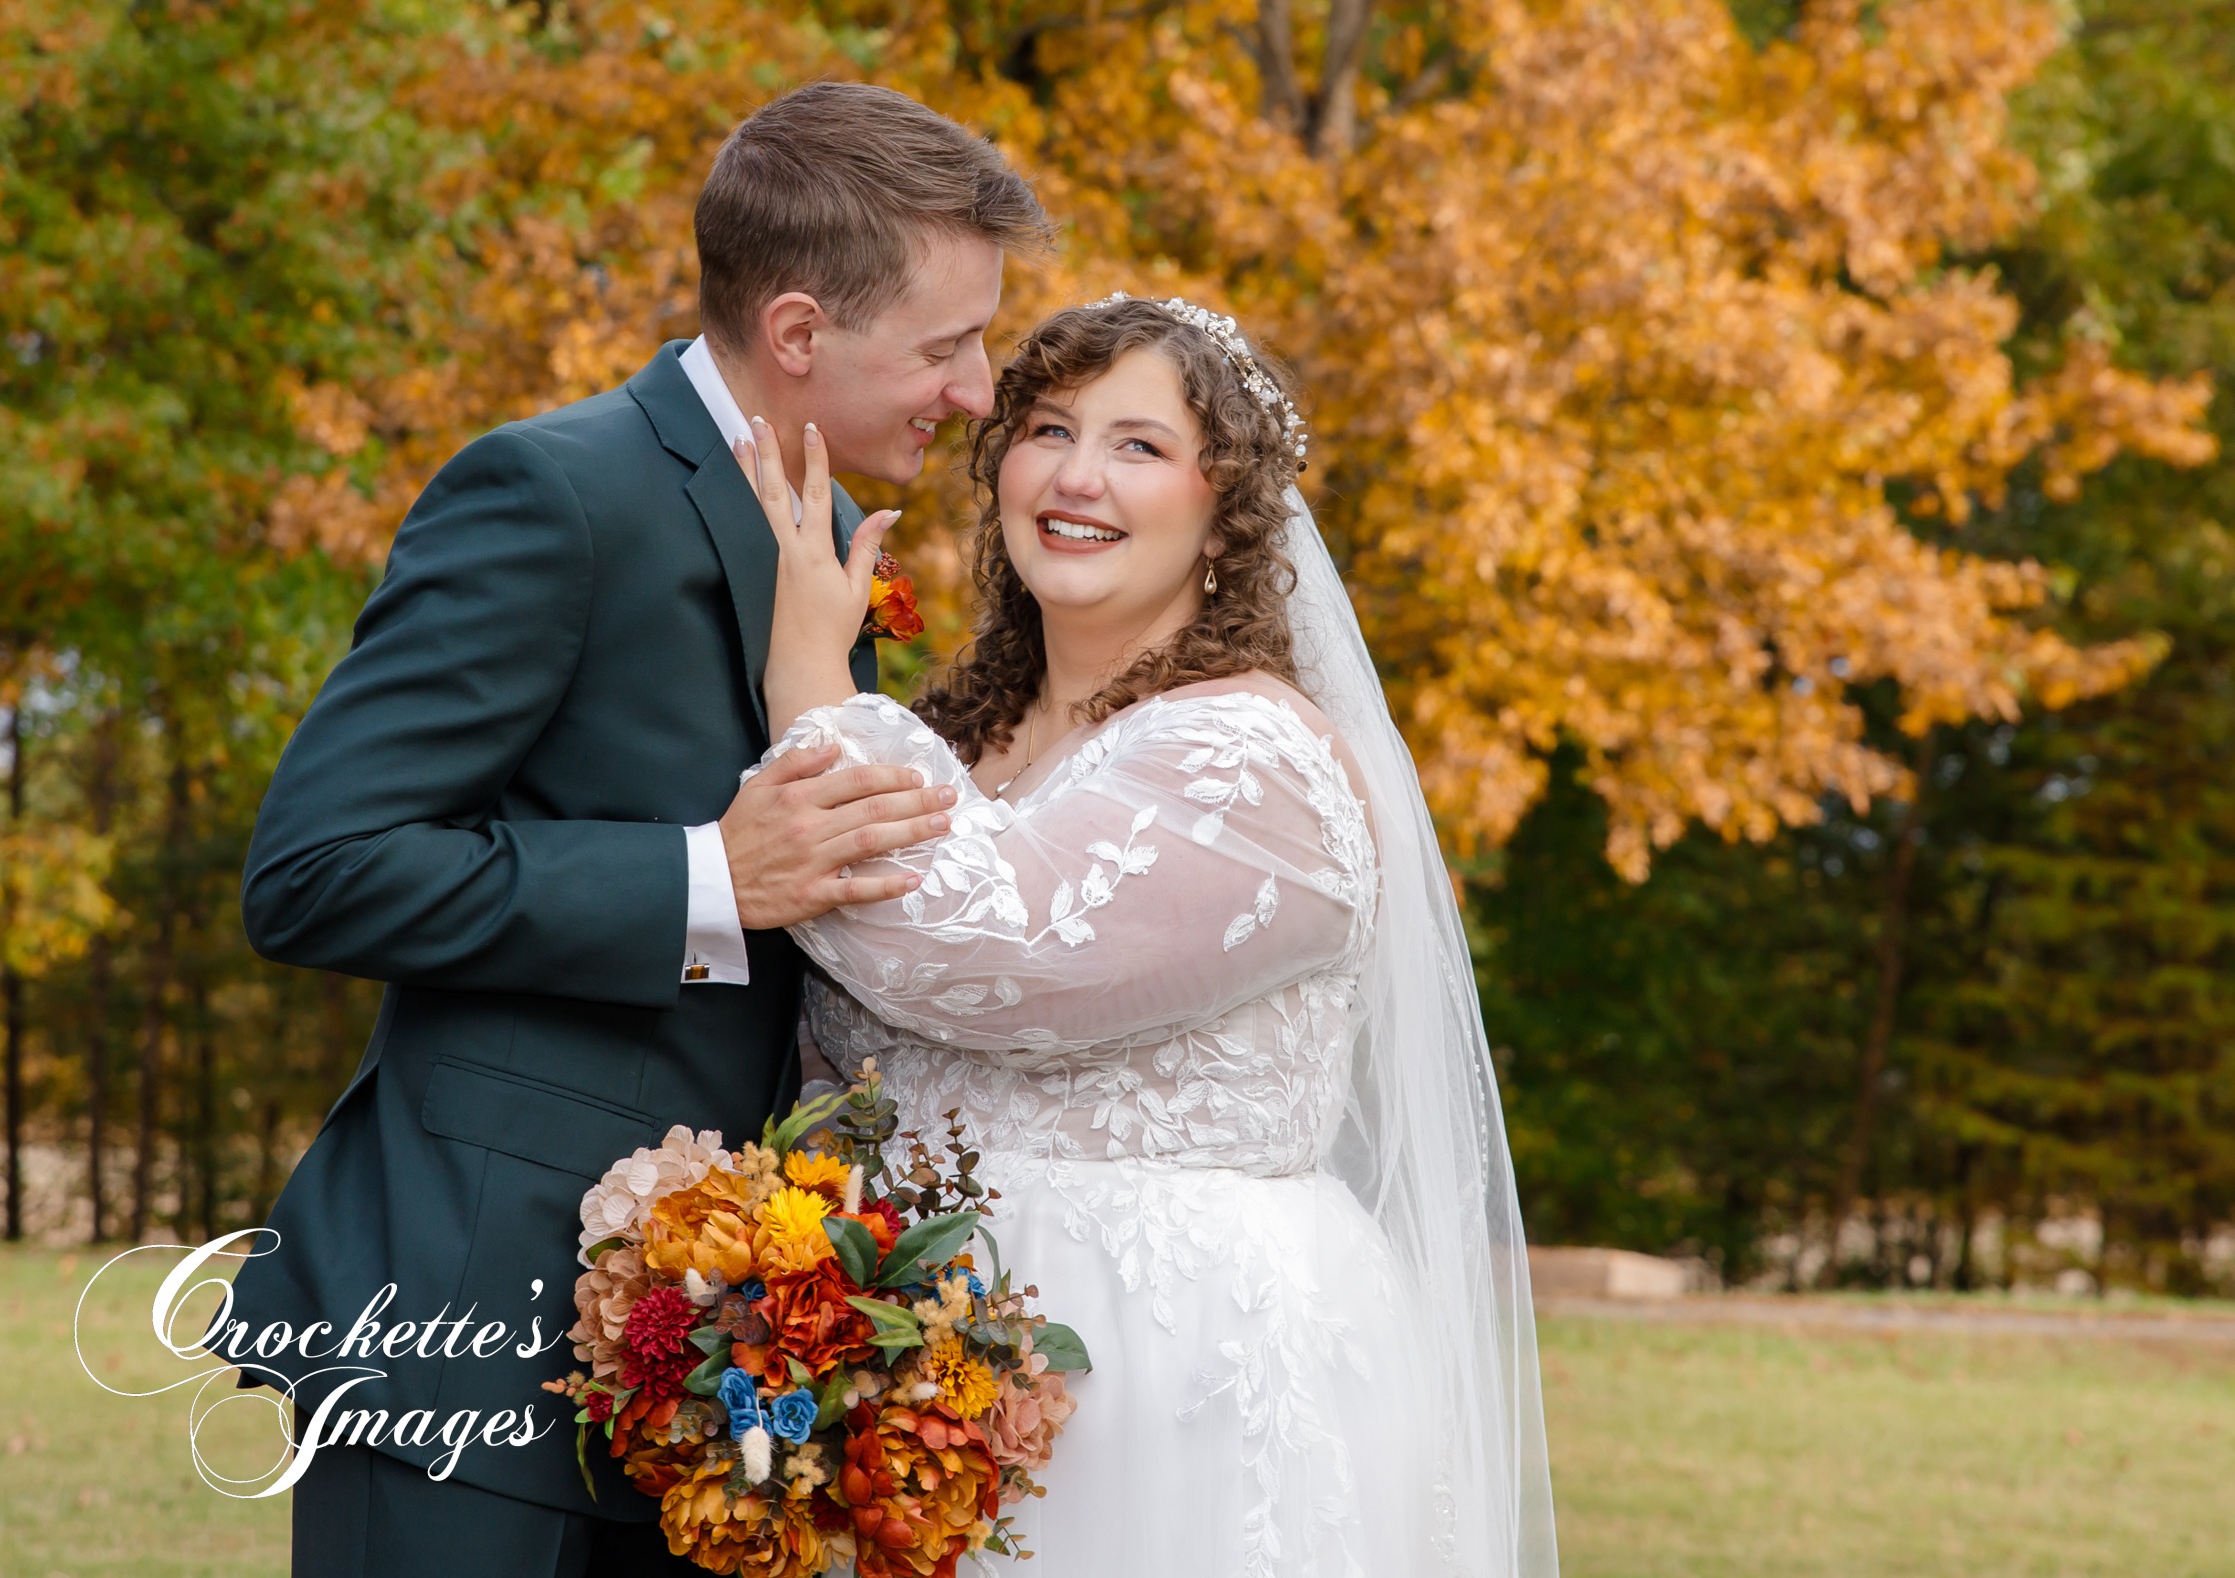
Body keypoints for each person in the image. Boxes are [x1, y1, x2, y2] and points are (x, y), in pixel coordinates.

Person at [227, 82, 1052, 1577]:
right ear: (797, 332)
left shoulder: (824, 535)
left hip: (717, 1378)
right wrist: (705, 876)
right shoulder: (554, 494)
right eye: (945, 346)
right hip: (467, 1347)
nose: (978, 390)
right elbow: (317, 870)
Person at [742, 293, 1560, 1576]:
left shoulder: (1254, 761)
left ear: (1224, 508)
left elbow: (979, 958)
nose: (1078, 477)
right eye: (1049, 430)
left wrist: (807, 685)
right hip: (917, 1365)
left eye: (1140, 445)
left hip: (1166, 1363)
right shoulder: (963, 737)